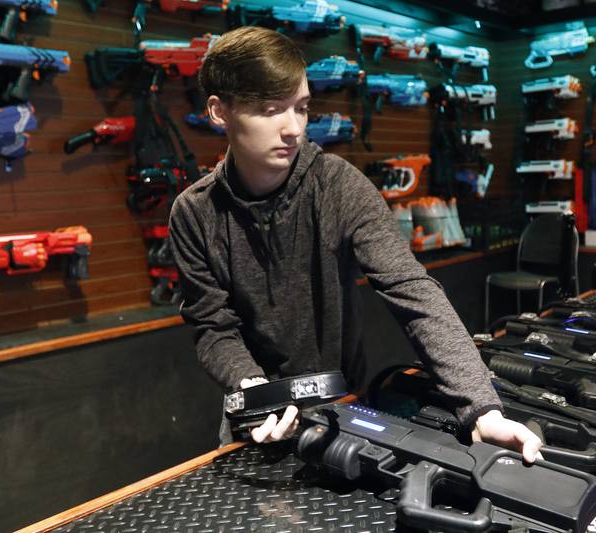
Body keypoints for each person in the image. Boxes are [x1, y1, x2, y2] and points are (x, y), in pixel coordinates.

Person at [169, 26, 542, 462]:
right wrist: (249, 385)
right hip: (257, 416)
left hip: (344, 408)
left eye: (302, 108)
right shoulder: (194, 213)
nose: (293, 129)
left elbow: (412, 291)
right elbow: (213, 326)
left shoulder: (338, 185)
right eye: (272, 110)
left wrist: (481, 409)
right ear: (220, 111)